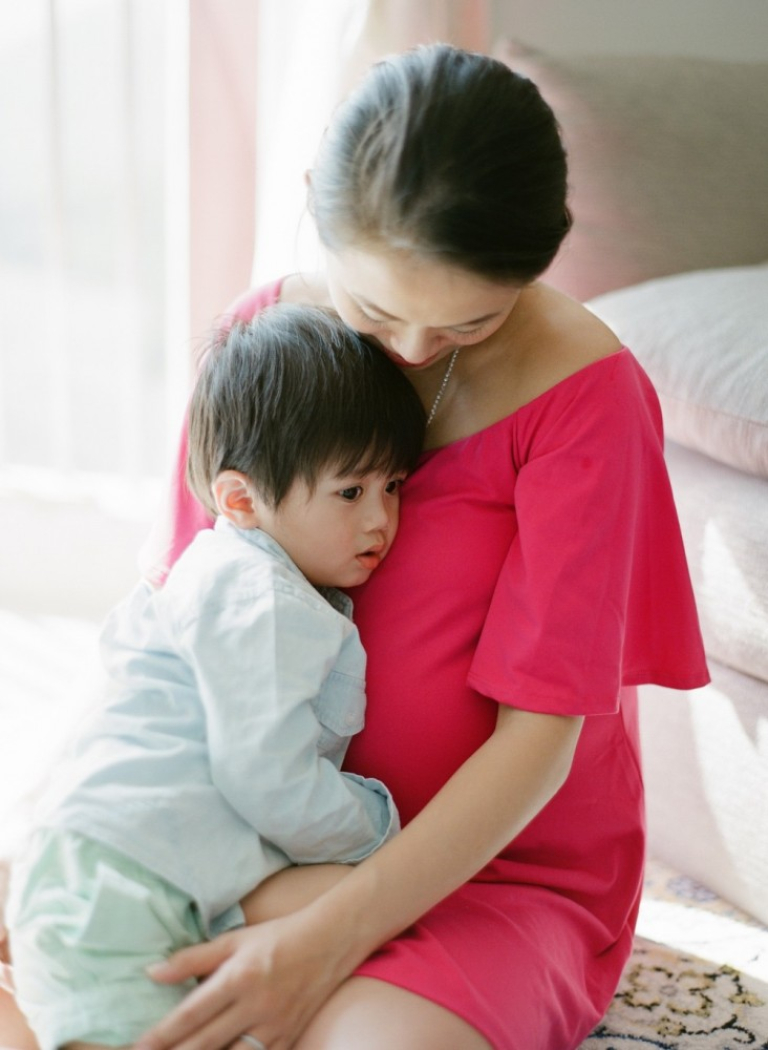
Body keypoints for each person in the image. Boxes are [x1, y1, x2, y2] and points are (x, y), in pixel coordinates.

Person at [0, 42, 709, 1050]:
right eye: (376, 309)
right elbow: (169, 634)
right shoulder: (263, 343)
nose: (413, 351)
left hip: (491, 871)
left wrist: (325, 940)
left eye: (472, 319)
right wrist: (67, 824)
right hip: (241, 836)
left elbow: (538, 743)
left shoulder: (586, 400)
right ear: (312, 207)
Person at [5, 305, 427, 1050]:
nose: (381, 520)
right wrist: (378, 824)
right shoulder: (260, 595)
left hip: (148, 872)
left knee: (362, 908)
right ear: (240, 499)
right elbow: (268, 777)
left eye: (392, 485)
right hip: (118, 883)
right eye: (350, 492)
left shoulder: (244, 579)